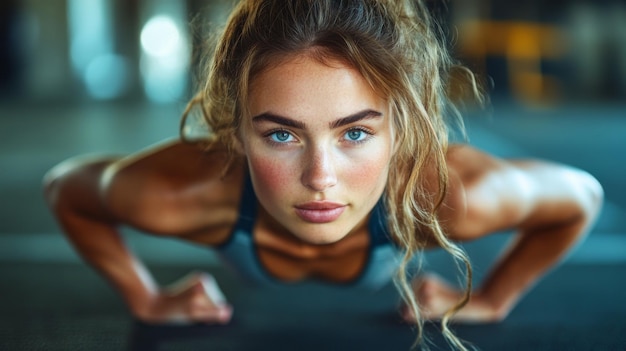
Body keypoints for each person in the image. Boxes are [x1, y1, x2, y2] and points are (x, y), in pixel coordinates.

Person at [43, 0, 603, 349]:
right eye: (281, 134)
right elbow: (66, 189)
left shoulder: (455, 195)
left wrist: (495, 298)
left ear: (400, 131)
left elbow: (582, 196)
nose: (319, 177)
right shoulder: (183, 193)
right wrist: (144, 298)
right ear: (237, 132)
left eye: (355, 133)